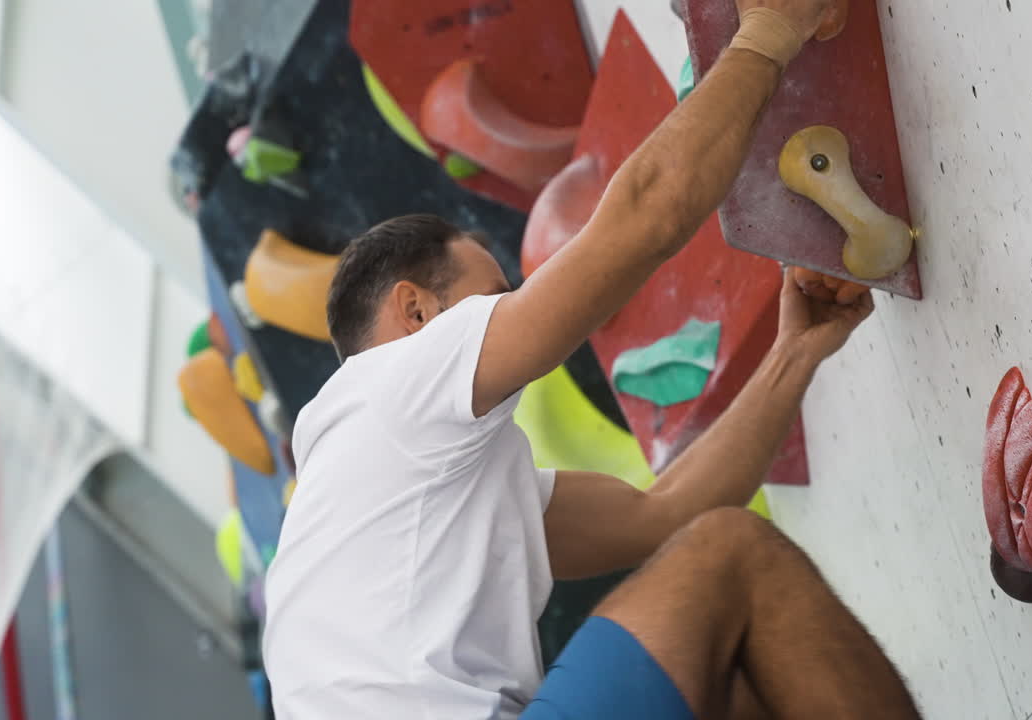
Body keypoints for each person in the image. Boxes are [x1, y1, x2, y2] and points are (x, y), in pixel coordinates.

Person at [262, 0, 921, 717]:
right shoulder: (389, 389)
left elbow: (666, 513)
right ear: (417, 310)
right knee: (729, 553)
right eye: (497, 297)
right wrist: (771, 30)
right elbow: (644, 220)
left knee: (731, 683)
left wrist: (794, 352)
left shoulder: (409, 494)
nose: (513, 313)